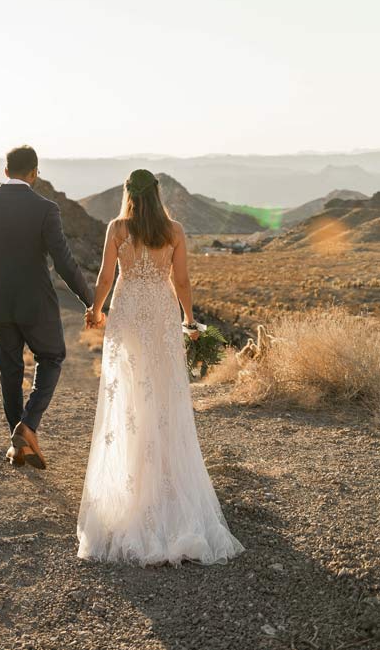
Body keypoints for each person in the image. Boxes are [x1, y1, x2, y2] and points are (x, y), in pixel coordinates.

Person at [77, 168, 245, 566]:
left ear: (128, 194)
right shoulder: (174, 230)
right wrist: (189, 322)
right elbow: (182, 281)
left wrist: (96, 310)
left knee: (131, 400)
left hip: (129, 317)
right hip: (160, 317)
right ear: (156, 194)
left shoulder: (118, 228)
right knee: (164, 400)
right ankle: (168, 491)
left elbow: (105, 277)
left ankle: (133, 491)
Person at [0, 145, 93, 469]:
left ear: (5, 172)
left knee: (10, 371)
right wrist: (90, 300)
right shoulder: (45, 209)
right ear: (34, 173)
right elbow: (64, 263)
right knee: (52, 356)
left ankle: (18, 446)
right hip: (36, 303)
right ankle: (27, 427)